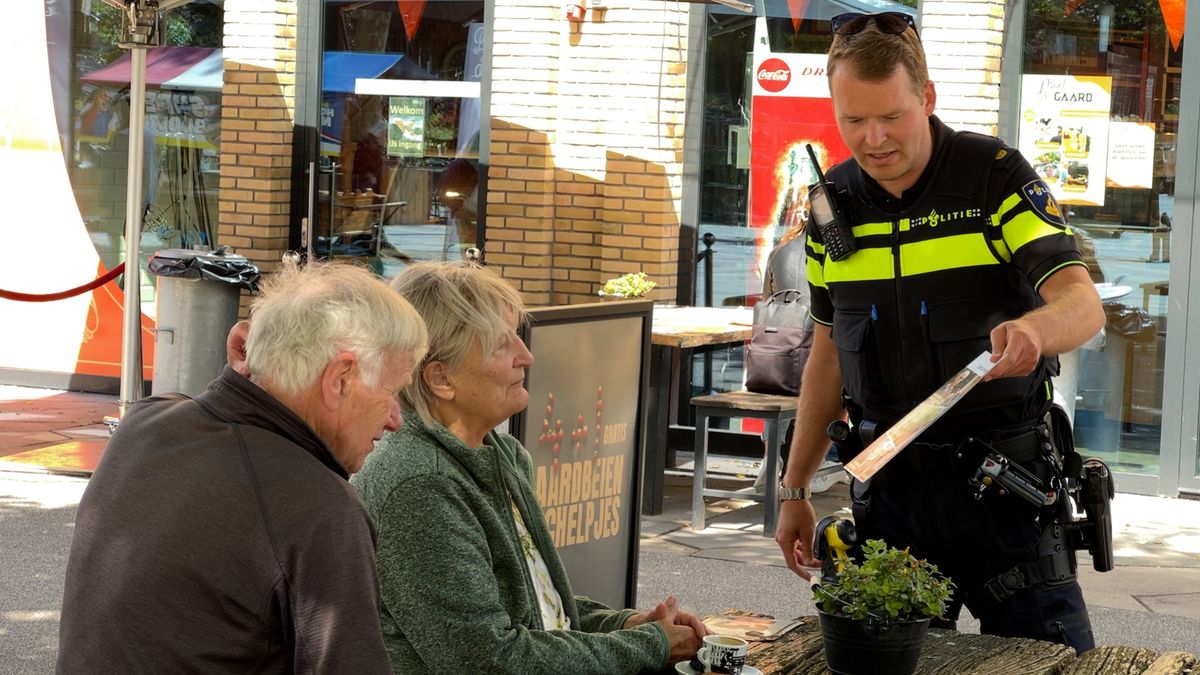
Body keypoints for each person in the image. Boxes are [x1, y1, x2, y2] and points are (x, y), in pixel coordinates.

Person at [773, 12, 1105, 653]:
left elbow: (1082, 303)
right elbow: (826, 358)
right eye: (853, 120)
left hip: (1005, 492)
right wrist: (793, 489)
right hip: (890, 500)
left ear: (926, 98)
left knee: (1056, 665)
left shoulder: (995, 176)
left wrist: (1035, 329)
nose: (873, 139)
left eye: (891, 116)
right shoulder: (829, 208)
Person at [58, 260, 428, 673]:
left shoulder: (147, 422)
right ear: (340, 378)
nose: (396, 420)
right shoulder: (318, 505)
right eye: (393, 392)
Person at [351, 261, 706, 674]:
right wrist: (648, 644)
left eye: (517, 336)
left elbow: (537, 610)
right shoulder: (420, 485)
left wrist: (628, 625)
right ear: (441, 379)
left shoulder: (501, 453)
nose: (526, 356)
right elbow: (490, 660)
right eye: (500, 345)